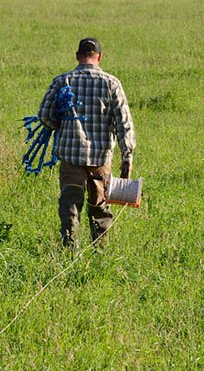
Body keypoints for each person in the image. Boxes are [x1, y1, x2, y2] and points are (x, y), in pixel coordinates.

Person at [38, 38, 136, 249]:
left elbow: (44, 116)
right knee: (99, 206)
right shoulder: (111, 83)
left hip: (70, 157)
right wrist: (127, 157)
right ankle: (99, 250)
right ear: (99, 57)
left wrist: (60, 121)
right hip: (100, 159)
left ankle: (69, 248)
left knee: (70, 204)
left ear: (77, 55)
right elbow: (124, 123)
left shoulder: (62, 81)